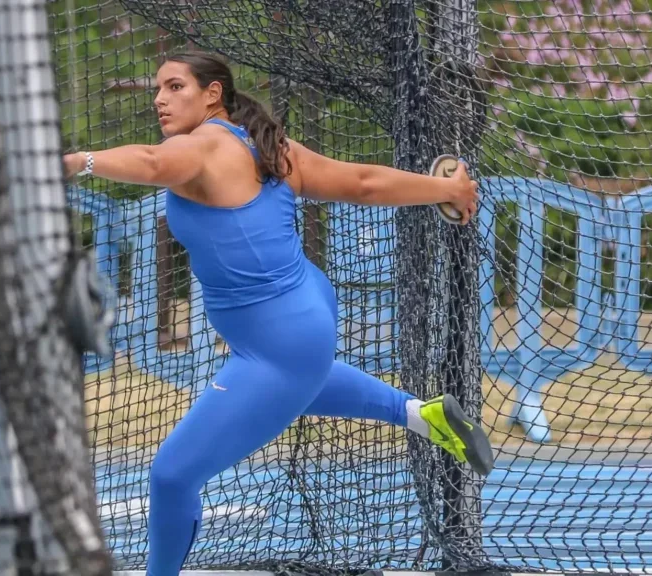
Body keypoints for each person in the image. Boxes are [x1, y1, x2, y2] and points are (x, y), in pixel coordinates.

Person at [62, 50, 493, 576]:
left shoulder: (198, 150)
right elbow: (362, 184)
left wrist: (76, 162)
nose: (159, 99)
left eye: (175, 87)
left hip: (277, 336)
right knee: (298, 379)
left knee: (172, 476)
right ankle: (419, 414)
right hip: (304, 311)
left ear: (212, 94)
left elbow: (152, 164)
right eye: (159, 89)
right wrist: (444, 189)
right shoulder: (269, 146)